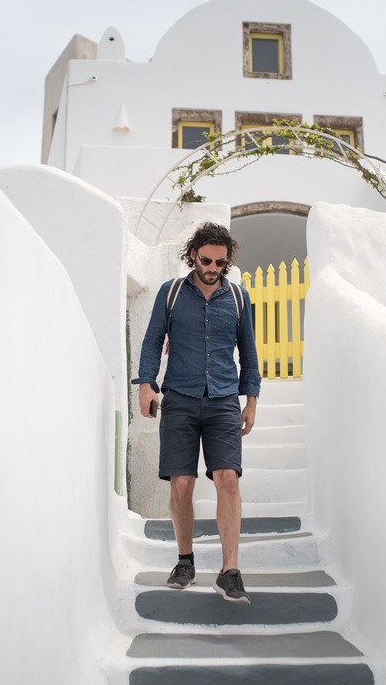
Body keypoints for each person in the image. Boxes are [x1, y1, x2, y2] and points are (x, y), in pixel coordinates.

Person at [132, 221, 260, 605]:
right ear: (193, 255)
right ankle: (185, 561)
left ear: (227, 262)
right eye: (206, 260)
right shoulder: (171, 293)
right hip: (180, 398)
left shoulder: (237, 298)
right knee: (182, 483)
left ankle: (230, 570)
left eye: (220, 263)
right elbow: (153, 338)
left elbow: (250, 355)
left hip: (223, 399)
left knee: (228, 480)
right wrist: (145, 384)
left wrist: (251, 400)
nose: (212, 268)